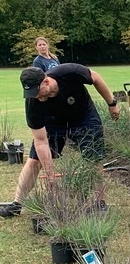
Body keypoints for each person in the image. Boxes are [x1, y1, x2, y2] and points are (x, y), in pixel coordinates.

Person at [0, 64, 121, 217]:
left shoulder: (69, 72)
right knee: (34, 160)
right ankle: (16, 204)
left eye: (37, 92)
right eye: (31, 93)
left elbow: (95, 77)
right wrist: (50, 175)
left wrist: (112, 104)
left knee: (93, 158)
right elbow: (40, 141)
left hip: (84, 117)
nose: (36, 96)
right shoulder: (32, 102)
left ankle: (99, 203)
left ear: (46, 82)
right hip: (53, 123)